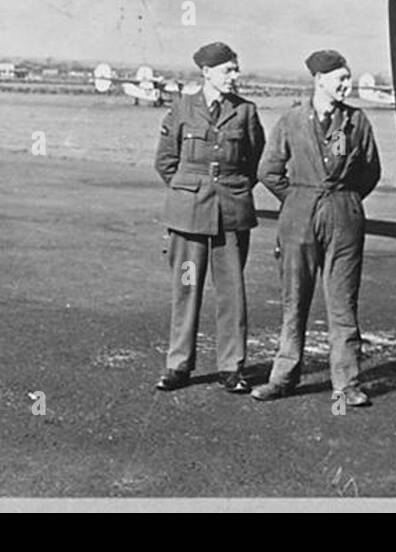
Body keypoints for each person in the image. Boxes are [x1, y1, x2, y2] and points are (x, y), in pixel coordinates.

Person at [252, 49, 381, 409]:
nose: (346, 85)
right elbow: (268, 170)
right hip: (299, 216)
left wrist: (346, 201)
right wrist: (297, 199)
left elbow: (370, 171)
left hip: (343, 216)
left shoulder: (356, 122)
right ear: (319, 80)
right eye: (340, 79)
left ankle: (347, 384)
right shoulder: (292, 120)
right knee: (295, 301)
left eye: (348, 78)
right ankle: (282, 377)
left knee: (343, 303)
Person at [153, 42, 265, 394]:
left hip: (231, 214)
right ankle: (178, 365)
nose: (236, 75)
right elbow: (165, 161)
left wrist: (231, 188)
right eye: (229, 70)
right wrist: (189, 191)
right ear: (207, 73)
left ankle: (231, 367)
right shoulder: (182, 109)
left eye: (236, 69)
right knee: (186, 289)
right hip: (188, 218)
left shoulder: (246, 112)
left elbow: (254, 162)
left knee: (232, 293)